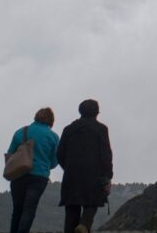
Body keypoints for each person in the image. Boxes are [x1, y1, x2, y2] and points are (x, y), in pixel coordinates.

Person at [57, 99, 113, 233]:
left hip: (71, 174)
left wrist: (68, 167)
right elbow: (106, 154)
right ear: (97, 112)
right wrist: (107, 176)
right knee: (92, 203)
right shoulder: (101, 129)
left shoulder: (69, 129)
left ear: (80, 111)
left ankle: (73, 229)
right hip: (94, 174)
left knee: (71, 209)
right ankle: (84, 224)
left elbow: (59, 153)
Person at [7, 107, 60, 233]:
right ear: (51, 121)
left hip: (18, 174)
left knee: (17, 209)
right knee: (29, 209)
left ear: (36, 117)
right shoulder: (53, 137)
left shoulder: (20, 132)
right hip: (39, 177)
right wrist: (45, 165)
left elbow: (10, 154)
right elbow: (54, 161)